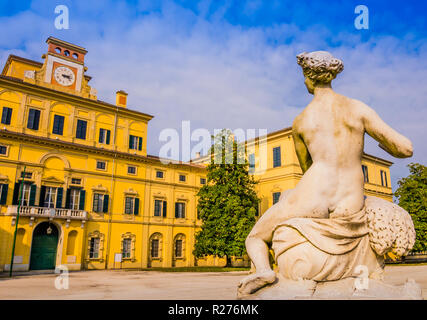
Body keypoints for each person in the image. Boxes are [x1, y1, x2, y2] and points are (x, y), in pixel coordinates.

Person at [238, 51, 413, 295]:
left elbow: (307, 168)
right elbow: (405, 149)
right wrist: (381, 144)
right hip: (350, 202)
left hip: (313, 195)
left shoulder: (301, 121)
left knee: (255, 237)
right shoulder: (358, 109)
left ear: (309, 77)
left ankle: (263, 271)